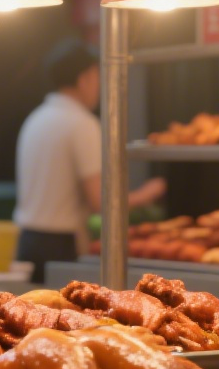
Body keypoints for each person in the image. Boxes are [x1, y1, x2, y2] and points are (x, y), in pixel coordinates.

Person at [15, 40, 165, 283]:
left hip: (26, 242)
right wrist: (147, 193)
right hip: (60, 246)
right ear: (83, 78)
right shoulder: (81, 123)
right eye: (97, 77)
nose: (98, 86)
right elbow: (100, 201)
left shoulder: (36, 119)